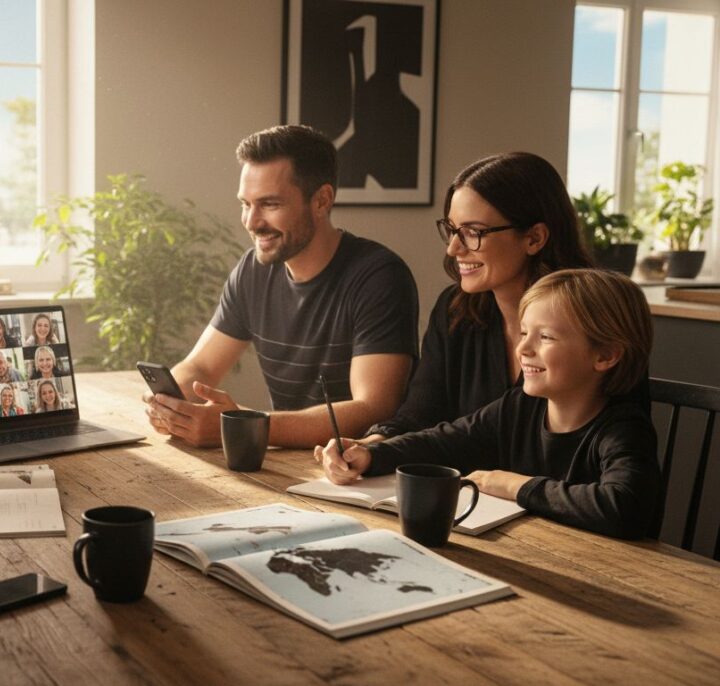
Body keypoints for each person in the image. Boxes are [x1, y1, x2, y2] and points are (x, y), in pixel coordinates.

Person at [320, 269, 660, 539]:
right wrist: (371, 454)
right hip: (536, 552)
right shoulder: (519, 407)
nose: (523, 349)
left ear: (606, 355)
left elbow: (624, 508)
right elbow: (443, 442)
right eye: (524, 333)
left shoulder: (622, 428)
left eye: (546, 337)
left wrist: (515, 485)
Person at [145, 125, 419, 449]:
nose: (251, 221)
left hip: (362, 473)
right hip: (281, 465)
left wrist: (242, 428)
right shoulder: (252, 272)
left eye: (269, 204)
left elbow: (373, 408)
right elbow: (202, 366)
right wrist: (170, 401)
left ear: (322, 200)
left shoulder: (379, 277)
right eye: (246, 204)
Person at [354, 152, 594, 449]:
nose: (454, 249)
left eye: (473, 232)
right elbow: (419, 415)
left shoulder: (591, 317)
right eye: (452, 230)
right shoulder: (455, 310)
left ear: (534, 238)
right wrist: (370, 446)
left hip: (546, 494)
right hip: (467, 492)